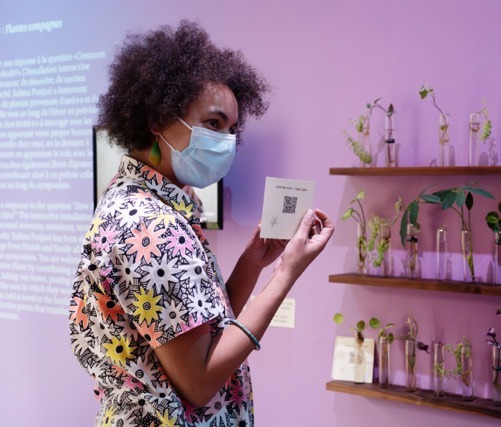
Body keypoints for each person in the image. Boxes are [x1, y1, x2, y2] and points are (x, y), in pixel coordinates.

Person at [69, 20, 334, 427]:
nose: (226, 141)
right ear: (158, 116)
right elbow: (199, 381)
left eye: (232, 129)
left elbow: (199, 332)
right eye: (213, 124)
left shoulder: (141, 201)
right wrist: (288, 271)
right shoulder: (149, 225)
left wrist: (252, 263)